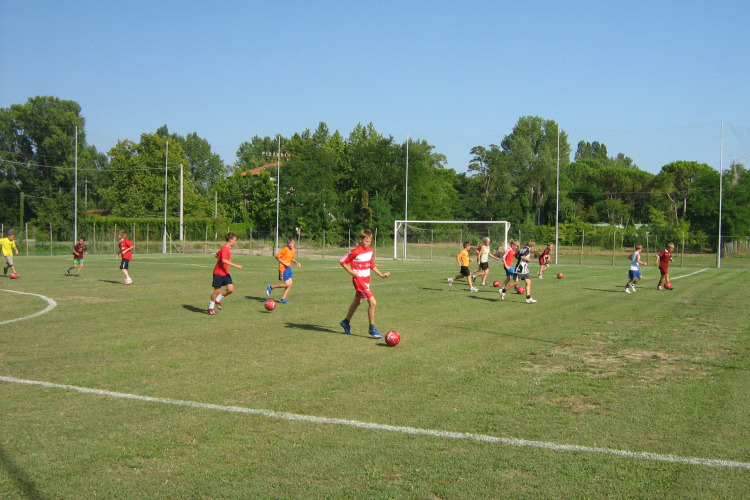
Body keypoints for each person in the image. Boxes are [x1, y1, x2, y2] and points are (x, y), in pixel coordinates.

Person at [339, 229, 391, 338]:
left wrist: (381, 275)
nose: (368, 243)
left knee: (358, 301)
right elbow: (342, 261)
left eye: (370, 241)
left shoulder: (370, 250)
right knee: (373, 302)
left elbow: (371, 264)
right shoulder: (356, 251)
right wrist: (351, 272)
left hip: (367, 281)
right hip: (359, 280)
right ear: (361, 239)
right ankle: (372, 328)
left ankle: (346, 322)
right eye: (366, 241)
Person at [208, 232, 243, 315]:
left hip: (225, 272)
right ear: (230, 240)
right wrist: (236, 265)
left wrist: (225, 258)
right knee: (217, 291)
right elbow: (223, 260)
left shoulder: (227, 248)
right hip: (218, 273)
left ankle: (218, 299)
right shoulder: (225, 248)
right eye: (235, 240)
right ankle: (210, 308)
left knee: (231, 289)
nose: (235, 242)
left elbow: (217, 255)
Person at [499, 239, 537, 303]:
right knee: (516, 282)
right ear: (532, 246)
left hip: (525, 269)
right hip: (520, 269)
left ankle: (528, 298)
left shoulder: (523, 248)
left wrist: (519, 259)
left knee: (528, 282)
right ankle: (503, 291)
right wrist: (528, 259)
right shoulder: (527, 250)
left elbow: (517, 255)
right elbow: (522, 256)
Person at [266, 236, 301, 304]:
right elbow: (277, 257)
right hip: (283, 268)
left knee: (290, 284)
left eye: (292, 243)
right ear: (287, 243)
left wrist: (296, 262)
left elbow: (292, 258)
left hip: (289, 268)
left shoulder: (293, 250)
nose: (291, 244)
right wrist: (284, 263)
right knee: (287, 284)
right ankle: (271, 287)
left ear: (294, 243)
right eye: (289, 243)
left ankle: (283, 299)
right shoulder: (285, 249)